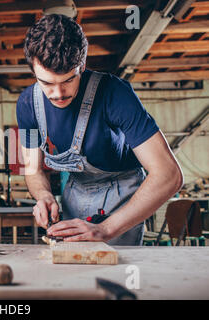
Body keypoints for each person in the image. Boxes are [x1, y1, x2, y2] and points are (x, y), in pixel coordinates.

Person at [16, 14, 183, 245]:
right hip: (74, 192)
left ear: (82, 65)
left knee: (114, 272)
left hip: (122, 195)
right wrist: (44, 196)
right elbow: (33, 170)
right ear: (33, 72)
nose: (57, 94)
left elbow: (169, 174)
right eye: (46, 83)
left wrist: (106, 229)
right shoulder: (27, 105)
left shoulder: (115, 94)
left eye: (67, 80)